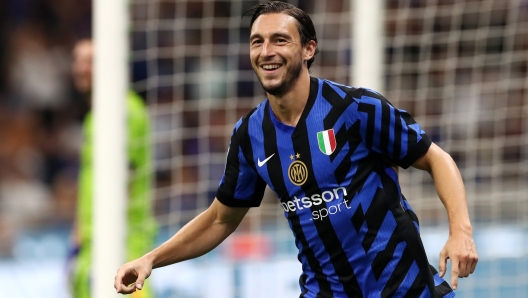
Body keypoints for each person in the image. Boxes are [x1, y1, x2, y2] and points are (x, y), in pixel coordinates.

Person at [114, 2, 478, 297]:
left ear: (308, 49)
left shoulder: (355, 109)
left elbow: (435, 157)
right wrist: (151, 259)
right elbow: (220, 219)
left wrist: (460, 230)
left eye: (279, 40)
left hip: (403, 289)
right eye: (257, 41)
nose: (266, 52)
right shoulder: (249, 135)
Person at [69, 39, 157, 298]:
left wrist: (109, 238)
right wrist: (78, 236)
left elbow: (125, 179)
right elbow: (89, 181)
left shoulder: (127, 111)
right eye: (78, 60)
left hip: (122, 242)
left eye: (90, 61)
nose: (80, 68)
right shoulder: (93, 118)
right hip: (92, 242)